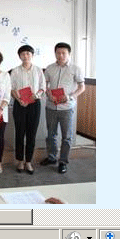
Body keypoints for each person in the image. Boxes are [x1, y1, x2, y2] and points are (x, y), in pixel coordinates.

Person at [41, 42, 86, 174]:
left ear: (68, 54)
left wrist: (70, 97)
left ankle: (63, 162)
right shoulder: (49, 68)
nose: (60, 55)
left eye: (63, 53)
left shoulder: (76, 68)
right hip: (51, 107)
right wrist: (49, 94)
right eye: (58, 53)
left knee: (66, 136)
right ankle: (51, 157)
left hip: (67, 108)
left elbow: (82, 87)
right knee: (51, 135)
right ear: (55, 53)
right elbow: (45, 85)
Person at [10, 44, 46, 174]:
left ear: (32, 55)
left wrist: (36, 95)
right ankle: (20, 161)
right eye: (23, 54)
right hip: (19, 104)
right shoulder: (15, 71)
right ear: (19, 56)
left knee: (32, 133)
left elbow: (42, 87)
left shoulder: (38, 70)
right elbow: (11, 88)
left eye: (28, 53)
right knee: (19, 133)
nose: (25, 56)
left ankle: (29, 161)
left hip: (34, 104)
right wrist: (19, 100)